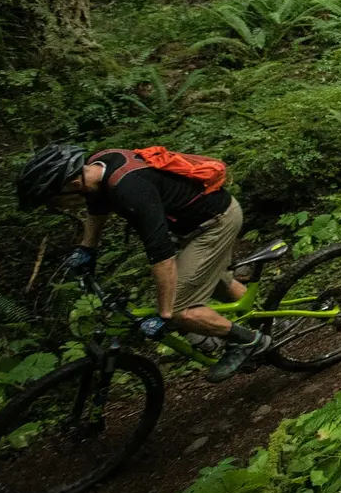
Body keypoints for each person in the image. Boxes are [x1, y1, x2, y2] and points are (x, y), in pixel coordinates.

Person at [15, 142, 268, 382]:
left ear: (72, 183)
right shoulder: (98, 168)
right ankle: (269, 322)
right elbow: (97, 211)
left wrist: (166, 314)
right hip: (196, 223)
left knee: (180, 309)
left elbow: (162, 256)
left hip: (215, 223)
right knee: (214, 283)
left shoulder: (130, 190)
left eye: (54, 199)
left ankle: (247, 341)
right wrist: (86, 249)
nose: (57, 206)